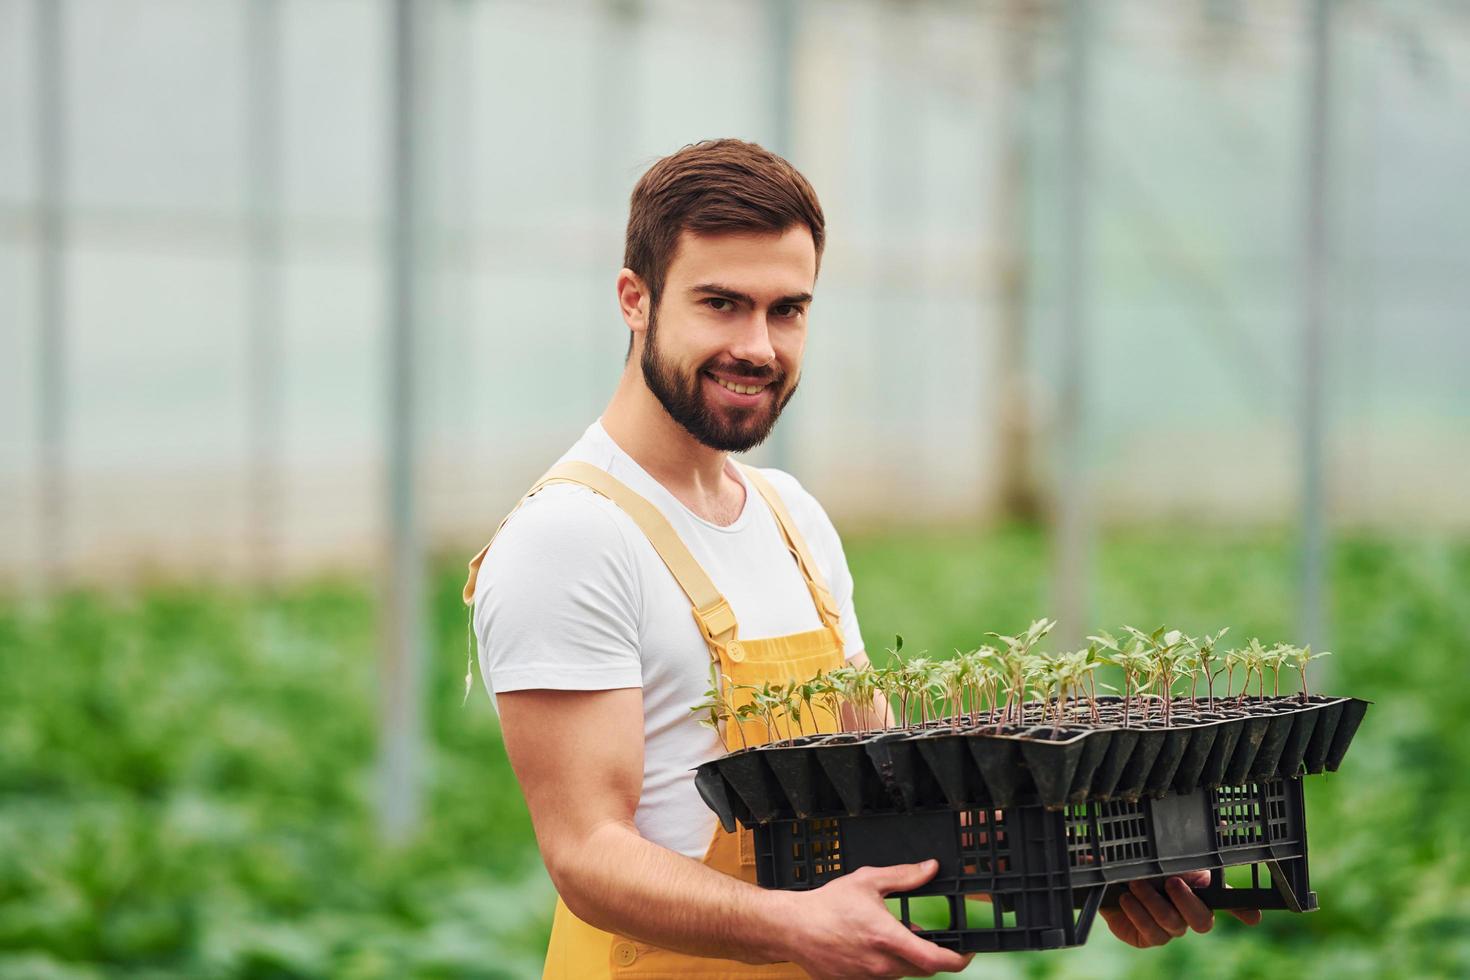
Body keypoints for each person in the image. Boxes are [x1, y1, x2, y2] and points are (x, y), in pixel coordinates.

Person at [464, 139, 1255, 979]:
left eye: (788, 310)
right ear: (636, 300)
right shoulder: (572, 538)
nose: (759, 347)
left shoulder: (791, 519)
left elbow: (889, 794)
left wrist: (1095, 866)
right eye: (721, 304)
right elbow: (588, 854)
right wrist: (791, 925)